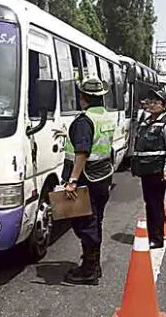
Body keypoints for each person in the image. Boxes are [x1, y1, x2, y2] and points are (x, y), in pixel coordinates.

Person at [62, 77, 116, 285]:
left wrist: (72, 181)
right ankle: (94, 264)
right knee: (96, 220)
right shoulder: (105, 116)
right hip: (103, 175)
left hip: (86, 179)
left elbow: (82, 152)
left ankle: (89, 270)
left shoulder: (84, 120)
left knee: (84, 223)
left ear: (82, 98)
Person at [131, 89, 166, 249]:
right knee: (148, 203)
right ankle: (152, 234)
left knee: (155, 203)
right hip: (145, 170)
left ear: (164, 105)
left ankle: (157, 239)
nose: (151, 105)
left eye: (156, 102)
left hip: (158, 170)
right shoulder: (145, 121)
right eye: (150, 102)